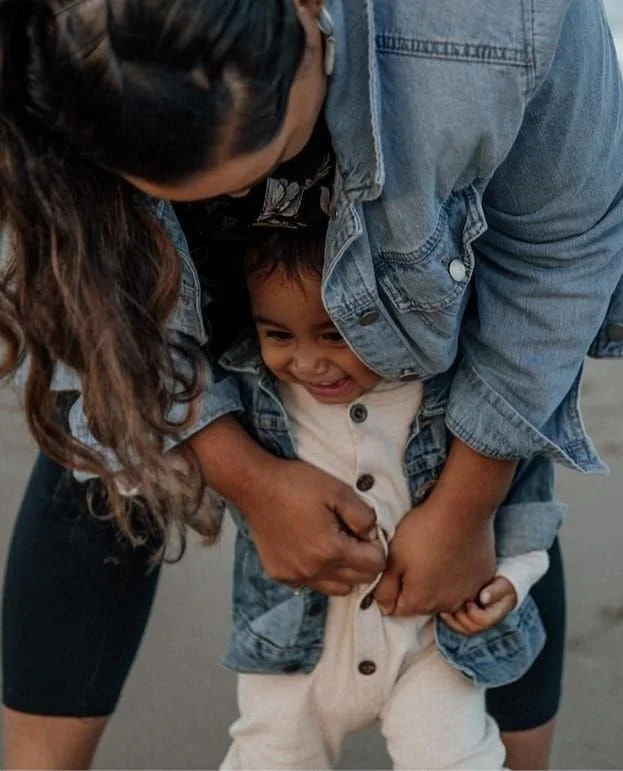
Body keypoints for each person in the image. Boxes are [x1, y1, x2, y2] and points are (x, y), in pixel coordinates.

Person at [0, 0, 623, 769]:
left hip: (415, 268)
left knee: (484, 441)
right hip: (142, 253)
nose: (242, 197)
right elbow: (80, 292)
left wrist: (469, 501)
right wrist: (247, 476)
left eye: (265, 152)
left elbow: (562, 249)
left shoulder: (505, 18)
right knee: (102, 437)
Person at [219, 224, 552, 769]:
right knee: (270, 760)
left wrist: (512, 581)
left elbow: (525, 502)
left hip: (430, 642)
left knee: (457, 761)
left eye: (334, 335)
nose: (307, 363)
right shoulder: (254, 394)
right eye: (279, 336)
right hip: (294, 652)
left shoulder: (453, 391)